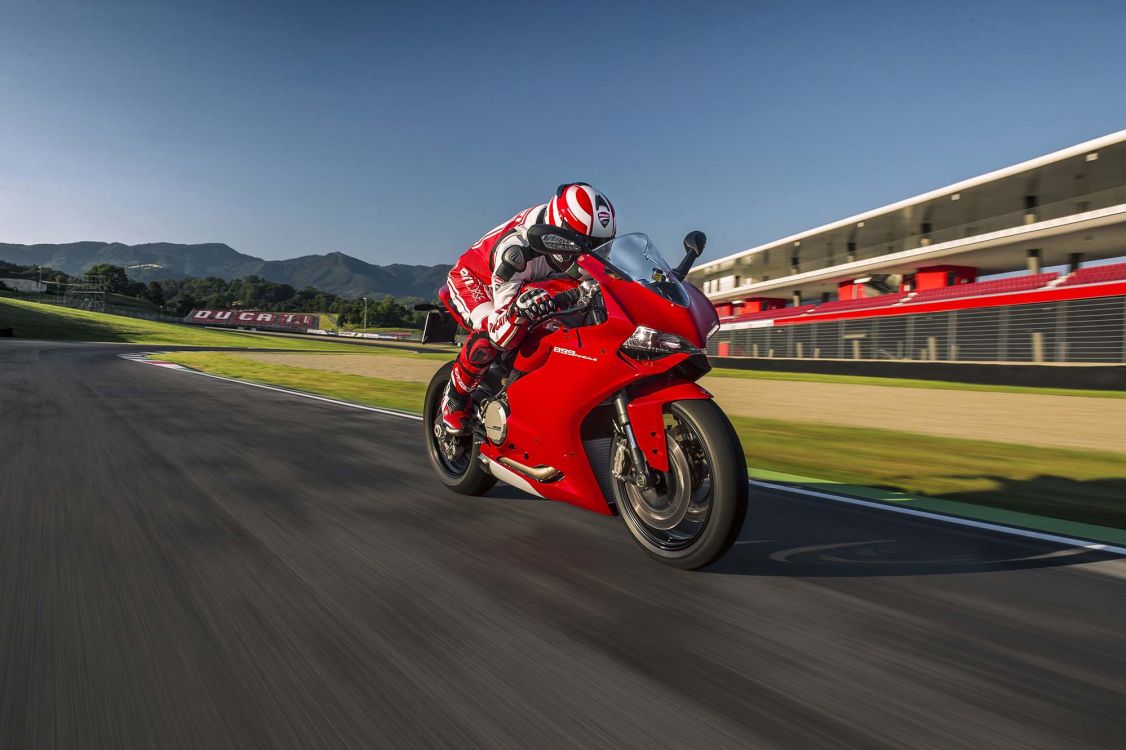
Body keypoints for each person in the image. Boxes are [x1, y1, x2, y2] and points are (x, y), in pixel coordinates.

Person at [440, 182, 617, 433]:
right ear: (559, 231)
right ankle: (455, 398)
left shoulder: (569, 244)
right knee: (490, 335)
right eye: (585, 245)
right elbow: (500, 331)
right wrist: (517, 312)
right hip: (477, 280)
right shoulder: (517, 251)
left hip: (531, 281)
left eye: (600, 246)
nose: (590, 256)